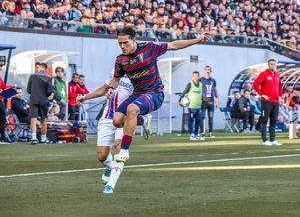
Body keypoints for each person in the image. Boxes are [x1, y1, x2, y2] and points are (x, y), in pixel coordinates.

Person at [77, 26, 209, 193]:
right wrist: (110, 87)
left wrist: (197, 40)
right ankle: (143, 119)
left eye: (125, 43)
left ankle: (124, 150)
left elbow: (174, 45)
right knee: (118, 120)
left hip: (154, 92)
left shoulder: (149, 48)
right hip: (138, 94)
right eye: (119, 43)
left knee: (132, 109)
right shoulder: (120, 60)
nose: (122, 46)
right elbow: (114, 81)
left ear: (134, 40)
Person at [253, 59, 283, 146]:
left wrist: (280, 96)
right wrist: (262, 94)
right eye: (271, 64)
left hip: (275, 102)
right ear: (268, 65)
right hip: (266, 102)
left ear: (276, 65)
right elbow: (255, 84)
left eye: (274, 64)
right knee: (264, 120)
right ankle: (265, 140)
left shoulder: (277, 74)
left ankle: (273, 139)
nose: (273, 65)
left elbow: (280, 86)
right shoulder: (264, 74)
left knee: (273, 121)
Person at [27, 62, 53, 144]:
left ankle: (34, 138)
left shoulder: (32, 76)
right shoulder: (49, 78)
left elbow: (28, 90)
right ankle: (43, 138)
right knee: (43, 120)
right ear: (46, 69)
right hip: (43, 101)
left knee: (33, 119)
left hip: (34, 100)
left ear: (39, 68)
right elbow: (49, 92)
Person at [179, 71, 203, 141]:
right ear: (192, 77)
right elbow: (184, 92)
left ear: (198, 77)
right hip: (191, 107)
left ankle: (196, 134)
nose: (195, 77)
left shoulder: (201, 85)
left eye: (197, 76)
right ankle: (191, 134)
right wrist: (180, 100)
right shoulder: (190, 84)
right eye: (194, 76)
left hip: (198, 107)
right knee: (191, 120)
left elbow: (202, 95)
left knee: (198, 121)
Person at [200, 65, 219, 138]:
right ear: (204, 71)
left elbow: (215, 90)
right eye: (206, 70)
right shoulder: (201, 79)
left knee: (211, 117)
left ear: (211, 71)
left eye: (209, 70)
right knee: (202, 117)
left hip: (211, 101)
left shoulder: (213, 80)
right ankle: (202, 132)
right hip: (203, 101)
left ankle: (210, 133)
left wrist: (217, 99)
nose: (207, 71)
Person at [0, 64, 10, 143]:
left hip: (0, 101)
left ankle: (3, 136)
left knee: (3, 119)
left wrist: (11, 87)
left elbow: (4, 86)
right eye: (0, 66)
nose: (1, 68)